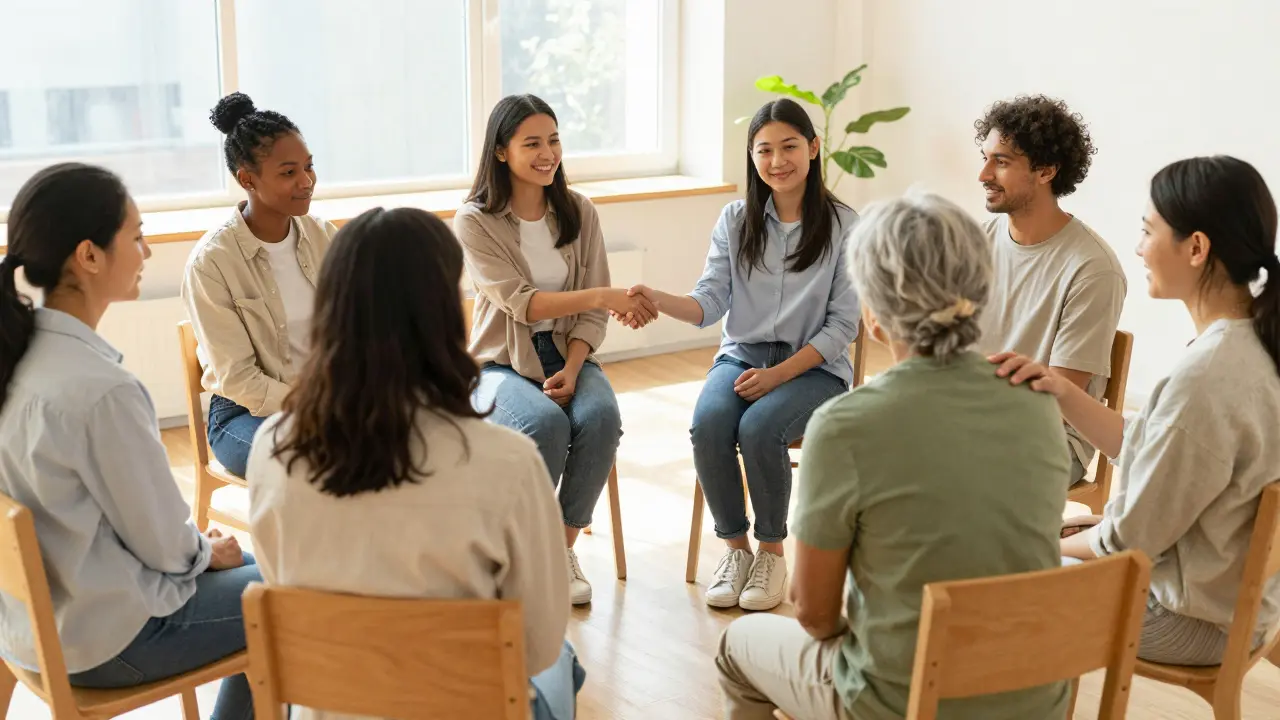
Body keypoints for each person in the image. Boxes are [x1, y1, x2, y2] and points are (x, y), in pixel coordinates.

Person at [715, 190, 1071, 720]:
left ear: (874, 313)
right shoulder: (1039, 405)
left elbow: (813, 614)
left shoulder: (845, 425)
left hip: (901, 702)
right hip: (1035, 697)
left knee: (735, 646)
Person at [247, 206, 584, 720]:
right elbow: (535, 646)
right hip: (466, 706)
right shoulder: (506, 462)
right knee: (562, 659)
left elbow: (280, 579)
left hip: (329, 707)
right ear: (446, 311)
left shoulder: (273, 446)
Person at [996, 155, 1280, 666]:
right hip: (1225, 603)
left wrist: (1050, 540)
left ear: (1196, 247)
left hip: (1182, 618)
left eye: (1148, 231)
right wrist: (1060, 389)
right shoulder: (1250, 342)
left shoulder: (1207, 374)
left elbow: (1128, 542)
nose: (1138, 248)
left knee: (978, 566)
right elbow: (1157, 446)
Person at [0, 163, 258, 719]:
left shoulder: (19, 361)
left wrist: (194, 550)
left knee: (262, 570)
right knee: (290, 591)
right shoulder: (102, 391)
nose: (145, 252)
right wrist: (202, 550)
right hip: (107, 641)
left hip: (30, 630)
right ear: (88, 256)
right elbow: (166, 547)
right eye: (137, 237)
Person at [615, 98, 859, 611]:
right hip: (742, 354)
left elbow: (842, 327)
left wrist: (777, 377)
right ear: (752, 157)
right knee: (709, 424)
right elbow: (708, 305)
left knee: (759, 427)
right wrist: (657, 298)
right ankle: (736, 550)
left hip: (814, 367)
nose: (777, 161)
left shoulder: (844, 225)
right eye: (764, 150)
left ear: (813, 148)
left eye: (789, 146)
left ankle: (772, 552)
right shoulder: (735, 219)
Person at [456, 94, 652, 605]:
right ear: (501, 152)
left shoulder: (579, 211)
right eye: (533, 143)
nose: (549, 153)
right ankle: (525, 551)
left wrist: (573, 364)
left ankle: (557, 550)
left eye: (554, 140)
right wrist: (605, 296)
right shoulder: (475, 221)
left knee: (601, 417)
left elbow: (589, 317)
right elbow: (521, 303)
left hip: (569, 354)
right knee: (546, 423)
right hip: (499, 363)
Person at [181, 92, 337, 478]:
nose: (306, 182)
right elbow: (238, 380)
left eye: (309, 167)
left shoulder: (322, 235)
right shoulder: (212, 262)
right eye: (288, 172)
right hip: (244, 414)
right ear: (246, 179)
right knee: (315, 468)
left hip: (329, 399)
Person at [975, 94, 1127, 486]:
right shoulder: (977, 241)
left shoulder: (1093, 269)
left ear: (1045, 171)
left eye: (1002, 161)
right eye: (985, 157)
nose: (984, 174)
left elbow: (1056, 403)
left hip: (1048, 440)